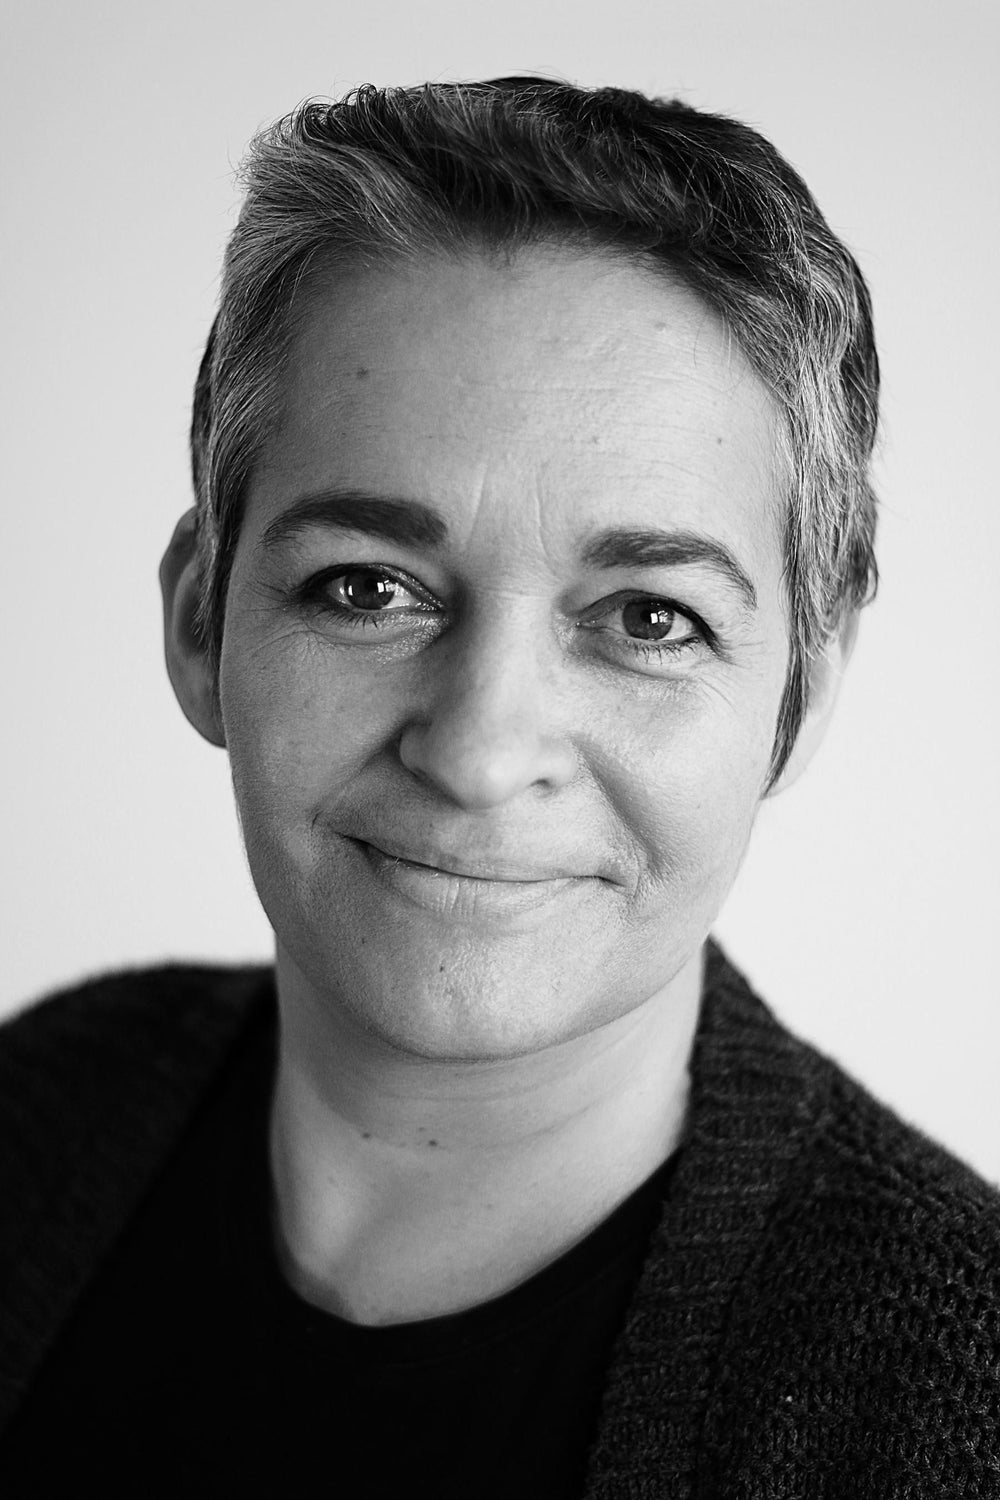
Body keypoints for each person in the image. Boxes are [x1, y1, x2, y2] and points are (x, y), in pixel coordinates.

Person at [1, 76, 997, 1498]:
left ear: (802, 697)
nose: (478, 754)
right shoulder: (46, 1103)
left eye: (649, 618)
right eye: (368, 588)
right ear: (201, 623)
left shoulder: (960, 1407)